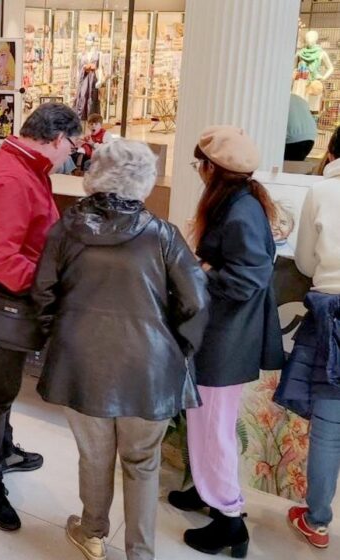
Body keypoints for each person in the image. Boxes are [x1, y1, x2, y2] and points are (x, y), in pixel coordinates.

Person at [32, 140, 209, 560]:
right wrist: (178, 346)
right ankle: (140, 553)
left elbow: (42, 294)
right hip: (150, 368)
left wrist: (52, 337)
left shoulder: (64, 230)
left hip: (80, 363)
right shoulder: (161, 234)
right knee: (142, 462)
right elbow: (197, 301)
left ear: (94, 175)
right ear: (144, 182)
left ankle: (92, 533)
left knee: (94, 456)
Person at [168, 126, 284, 557]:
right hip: (223, 331)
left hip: (227, 336)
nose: (198, 170)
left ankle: (229, 518)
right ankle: (207, 490)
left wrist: (202, 272)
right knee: (204, 419)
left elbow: (249, 277)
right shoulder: (238, 203)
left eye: (201, 163)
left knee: (214, 426)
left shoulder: (239, 212)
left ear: (214, 169)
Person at [0, 102, 81, 531]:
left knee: (6, 389)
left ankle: (5, 449)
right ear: (56, 139)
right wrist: (47, 287)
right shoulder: (14, 177)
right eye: (72, 145)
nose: (72, 154)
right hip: (6, 303)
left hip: (14, 298)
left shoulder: (23, 165)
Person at [274, 126, 340, 550]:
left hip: (332, 314)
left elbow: (305, 259)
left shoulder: (323, 190)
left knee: (329, 430)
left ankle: (316, 521)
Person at [285, 93, 317, 161]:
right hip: (310, 137)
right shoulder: (298, 98)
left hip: (293, 138)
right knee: (294, 165)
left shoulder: (277, 99)